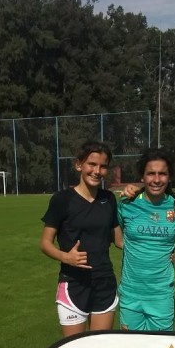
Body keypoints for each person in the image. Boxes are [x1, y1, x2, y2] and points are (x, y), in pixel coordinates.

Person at [40, 141, 123, 337]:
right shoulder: (62, 199)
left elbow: (119, 241)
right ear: (79, 165)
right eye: (91, 164)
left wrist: (156, 253)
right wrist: (66, 257)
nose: (97, 171)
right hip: (74, 285)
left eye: (102, 166)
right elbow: (44, 243)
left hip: (104, 283)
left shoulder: (108, 199)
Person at [117, 148, 175, 331]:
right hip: (130, 295)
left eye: (162, 174)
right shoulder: (127, 204)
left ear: (169, 176)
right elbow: (114, 237)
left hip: (161, 296)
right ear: (142, 176)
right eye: (151, 173)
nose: (156, 180)